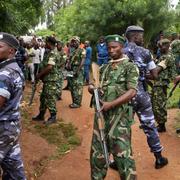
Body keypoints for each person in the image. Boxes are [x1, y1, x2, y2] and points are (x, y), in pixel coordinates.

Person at [116, 25, 168, 169]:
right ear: (135, 36)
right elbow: (155, 75)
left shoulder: (120, 52)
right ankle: (159, 158)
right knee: (150, 126)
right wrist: (144, 75)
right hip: (141, 95)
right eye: (141, 36)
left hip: (125, 96)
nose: (143, 38)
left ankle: (119, 160)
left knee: (122, 128)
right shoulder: (145, 52)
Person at [89, 35, 139, 180]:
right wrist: (92, 88)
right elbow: (94, 84)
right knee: (97, 155)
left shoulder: (130, 66)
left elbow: (132, 91)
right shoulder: (104, 68)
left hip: (120, 118)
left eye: (114, 47)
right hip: (101, 117)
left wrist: (111, 104)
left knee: (123, 156)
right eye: (109, 47)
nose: (111, 50)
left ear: (122, 47)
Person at [0, 32, 26, 179]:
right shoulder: (15, 68)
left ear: (11, 51)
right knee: (14, 169)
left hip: (2, 128)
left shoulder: (5, 73)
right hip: (11, 126)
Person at [32, 36, 59, 125]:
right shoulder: (49, 52)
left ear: (48, 43)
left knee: (50, 98)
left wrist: (39, 75)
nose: (44, 43)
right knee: (43, 98)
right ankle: (41, 115)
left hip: (51, 80)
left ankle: (53, 116)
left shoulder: (53, 53)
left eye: (45, 42)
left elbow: (49, 67)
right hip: (47, 80)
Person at [151, 39, 177, 132]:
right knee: (155, 104)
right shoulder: (163, 56)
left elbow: (156, 70)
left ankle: (162, 126)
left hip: (161, 83)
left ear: (166, 46)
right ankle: (159, 123)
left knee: (159, 105)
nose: (160, 48)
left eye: (161, 46)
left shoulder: (167, 57)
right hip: (158, 82)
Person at [66, 36, 86, 108]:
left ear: (78, 42)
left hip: (79, 69)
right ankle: (74, 102)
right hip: (72, 70)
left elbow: (83, 61)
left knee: (78, 86)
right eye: (73, 42)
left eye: (75, 41)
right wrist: (68, 65)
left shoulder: (82, 50)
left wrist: (77, 71)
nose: (74, 43)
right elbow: (69, 59)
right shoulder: (73, 50)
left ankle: (77, 103)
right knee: (72, 86)